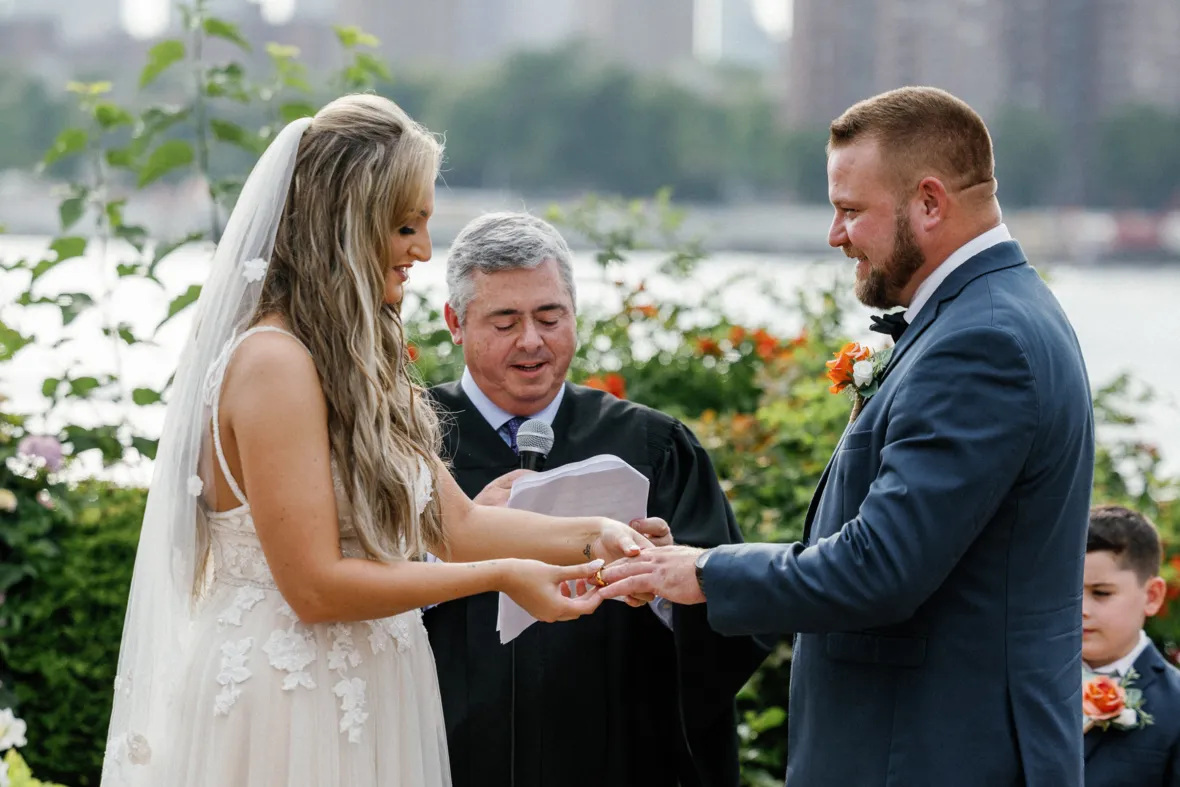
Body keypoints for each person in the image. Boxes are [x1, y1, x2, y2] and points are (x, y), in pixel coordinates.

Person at [99, 96, 654, 787]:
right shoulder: (274, 362)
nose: (424, 249)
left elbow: (459, 523)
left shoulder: (357, 359)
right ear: (347, 224)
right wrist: (505, 576)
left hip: (372, 681)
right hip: (286, 698)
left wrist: (599, 534)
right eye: (405, 226)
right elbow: (315, 586)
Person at [601, 86, 1096, 785]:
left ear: (929, 202)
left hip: (934, 758)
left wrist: (704, 572)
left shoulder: (983, 338)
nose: (835, 235)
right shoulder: (996, 312)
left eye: (850, 211)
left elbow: (882, 566)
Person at [423, 211, 768, 787]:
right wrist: (453, 539)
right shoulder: (407, 441)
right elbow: (339, 588)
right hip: (445, 753)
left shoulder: (653, 445)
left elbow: (730, 621)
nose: (532, 340)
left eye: (549, 316)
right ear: (456, 323)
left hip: (616, 755)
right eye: (505, 321)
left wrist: (663, 578)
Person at [1082, 504, 1180, 786]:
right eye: (1070, 593)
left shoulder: (1175, 706)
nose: (1081, 609)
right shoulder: (1028, 683)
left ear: (1152, 595)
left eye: (1100, 593)